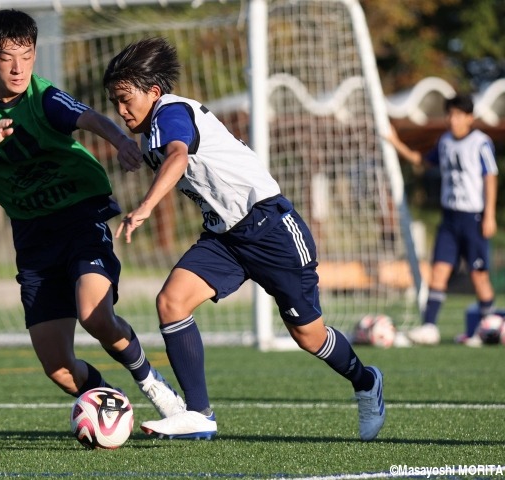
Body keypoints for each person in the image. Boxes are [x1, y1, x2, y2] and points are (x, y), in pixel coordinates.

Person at [103, 37, 385, 441]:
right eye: (115, 101)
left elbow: (179, 154)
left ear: (154, 92)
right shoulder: (151, 131)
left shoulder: (172, 111)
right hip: (225, 238)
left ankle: (365, 381)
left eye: (126, 99)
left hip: (271, 228)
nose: (121, 109)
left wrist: (146, 206)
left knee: (309, 335)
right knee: (171, 302)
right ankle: (199, 413)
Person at [0, 10, 185, 418]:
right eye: (6, 57)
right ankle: (111, 408)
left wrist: (122, 141)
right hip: (33, 236)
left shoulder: (43, 96)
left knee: (95, 314)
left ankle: (152, 383)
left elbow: (89, 117)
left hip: (78, 218)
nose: (18, 67)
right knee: (57, 367)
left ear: (35, 54)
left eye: (27, 55)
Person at [386, 93, 499, 346]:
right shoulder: (445, 141)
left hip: (474, 217)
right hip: (449, 218)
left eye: (459, 114)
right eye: (450, 114)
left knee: (478, 275)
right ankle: (429, 327)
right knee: (438, 271)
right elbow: (422, 161)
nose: (453, 119)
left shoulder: (480, 143)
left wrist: (489, 215)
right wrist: (395, 142)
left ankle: (487, 330)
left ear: (469, 118)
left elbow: (490, 177)